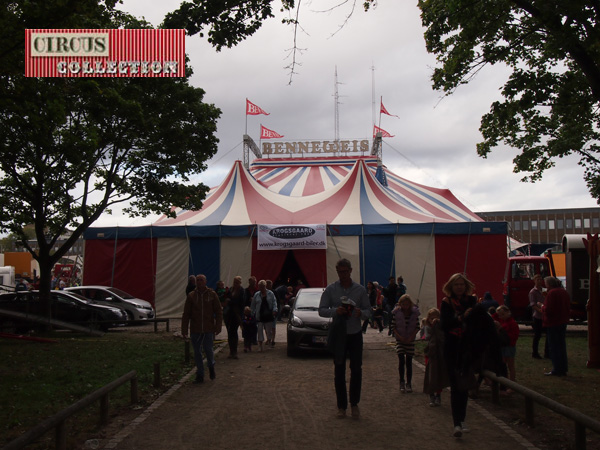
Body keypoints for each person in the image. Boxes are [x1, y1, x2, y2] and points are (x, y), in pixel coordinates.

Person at [319, 258, 371, 420]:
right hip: (339, 335)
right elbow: (321, 310)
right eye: (340, 272)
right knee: (339, 371)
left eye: (345, 271)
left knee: (356, 370)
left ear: (350, 270)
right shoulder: (331, 289)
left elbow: (369, 311)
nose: (343, 275)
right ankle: (342, 406)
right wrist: (336, 311)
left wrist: (360, 313)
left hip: (355, 334)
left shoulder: (360, 290)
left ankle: (354, 404)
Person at [440, 272, 478, 438]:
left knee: (465, 385)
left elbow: (476, 323)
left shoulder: (472, 301)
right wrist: (462, 317)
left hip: (467, 347)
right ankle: (456, 422)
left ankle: (462, 419)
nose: (459, 287)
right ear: (451, 286)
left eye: (462, 284)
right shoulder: (446, 303)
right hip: (452, 348)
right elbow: (445, 324)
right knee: (456, 385)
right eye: (456, 284)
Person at [181, 274, 223, 383]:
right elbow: (186, 314)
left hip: (209, 328)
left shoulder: (212, 294)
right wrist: (184, 329)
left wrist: (218, 326)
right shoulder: (191, 296)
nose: (199, 282)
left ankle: (211, 366)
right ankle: (200, 374)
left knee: (209, 350)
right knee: (197, 352)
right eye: (198, 280)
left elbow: (218, 311)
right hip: (196, 328)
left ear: (205, 281)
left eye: (201, 280)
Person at [390, 294, 420, 393]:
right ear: (400, 304)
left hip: (410, 340)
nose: (405, 306)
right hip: (400, 339)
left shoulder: (414, 314)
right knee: (401, 360)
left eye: (407, 304)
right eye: (403, 304)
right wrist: (399, 337)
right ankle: (402, 381)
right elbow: (393, 326)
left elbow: (417, 327)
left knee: (409, 362)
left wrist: (411, 337)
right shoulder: (397, 313)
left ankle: (409, 383)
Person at [541, 276, 570, 376]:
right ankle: (563, 368)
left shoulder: (552, 293)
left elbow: (549, 309)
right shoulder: (563, 291)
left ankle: (557, 369)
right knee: (561, 346)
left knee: (554, 347)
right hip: (562, 321)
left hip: (553, 322)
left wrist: (542, 307)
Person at [421, 307, 448, 406]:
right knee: (431, 374)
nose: (434, 320)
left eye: (436, 318)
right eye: (432, 318)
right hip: (430, 353)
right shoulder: (427, 327)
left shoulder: (441, 327)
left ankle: (438, 395)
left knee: (438, 374)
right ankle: (431, 395)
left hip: (439, 352)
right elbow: (425, 338)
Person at [493, 305, 519, 388]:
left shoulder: (512, 323)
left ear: (508, 313)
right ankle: (506, 383)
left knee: (510, 366)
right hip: (504, 346)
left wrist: (500, 329)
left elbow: (513, 336)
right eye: (500, 315)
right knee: (503, 366)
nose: (501, 317)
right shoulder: (504, 322)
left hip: (509, 346)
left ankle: (512, 385)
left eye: (503, 314)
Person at [251, 280, 277, 351]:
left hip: (268, 315)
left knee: (269, 331)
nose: (260, 288)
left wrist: (275, 309)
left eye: (262, 287)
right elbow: (253, 305)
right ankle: (260, 345)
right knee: (259, 330)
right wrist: (251, 313)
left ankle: (269, 342)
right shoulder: (256, 294)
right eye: (259, 287)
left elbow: (274, 302)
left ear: (265, 286)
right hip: (260, 315)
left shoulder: (270, 293)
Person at [224, 276, 245, 359]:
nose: (235, 284)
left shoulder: (241, 291)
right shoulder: (231, 289)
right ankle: (231, 351)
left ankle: (235, 351)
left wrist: (230, 301)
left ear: (239, 283)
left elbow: (241, 302)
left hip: (236, 315)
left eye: (237, 282)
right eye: (234, 282)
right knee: (229, 332)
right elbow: (226, 297)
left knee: (234, 331)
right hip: (229, 314)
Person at [529, 274, 548, 359]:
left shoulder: (544, 290)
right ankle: (535, 352)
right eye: (538, 280)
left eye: (541, 279)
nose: (540, 281)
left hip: (545, 315)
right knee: (537, 335)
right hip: (537, 316)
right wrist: (540, 310)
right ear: (534, 281)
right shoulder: (533, 292)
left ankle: (547, 352)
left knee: (548, 335)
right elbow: (533, 304)